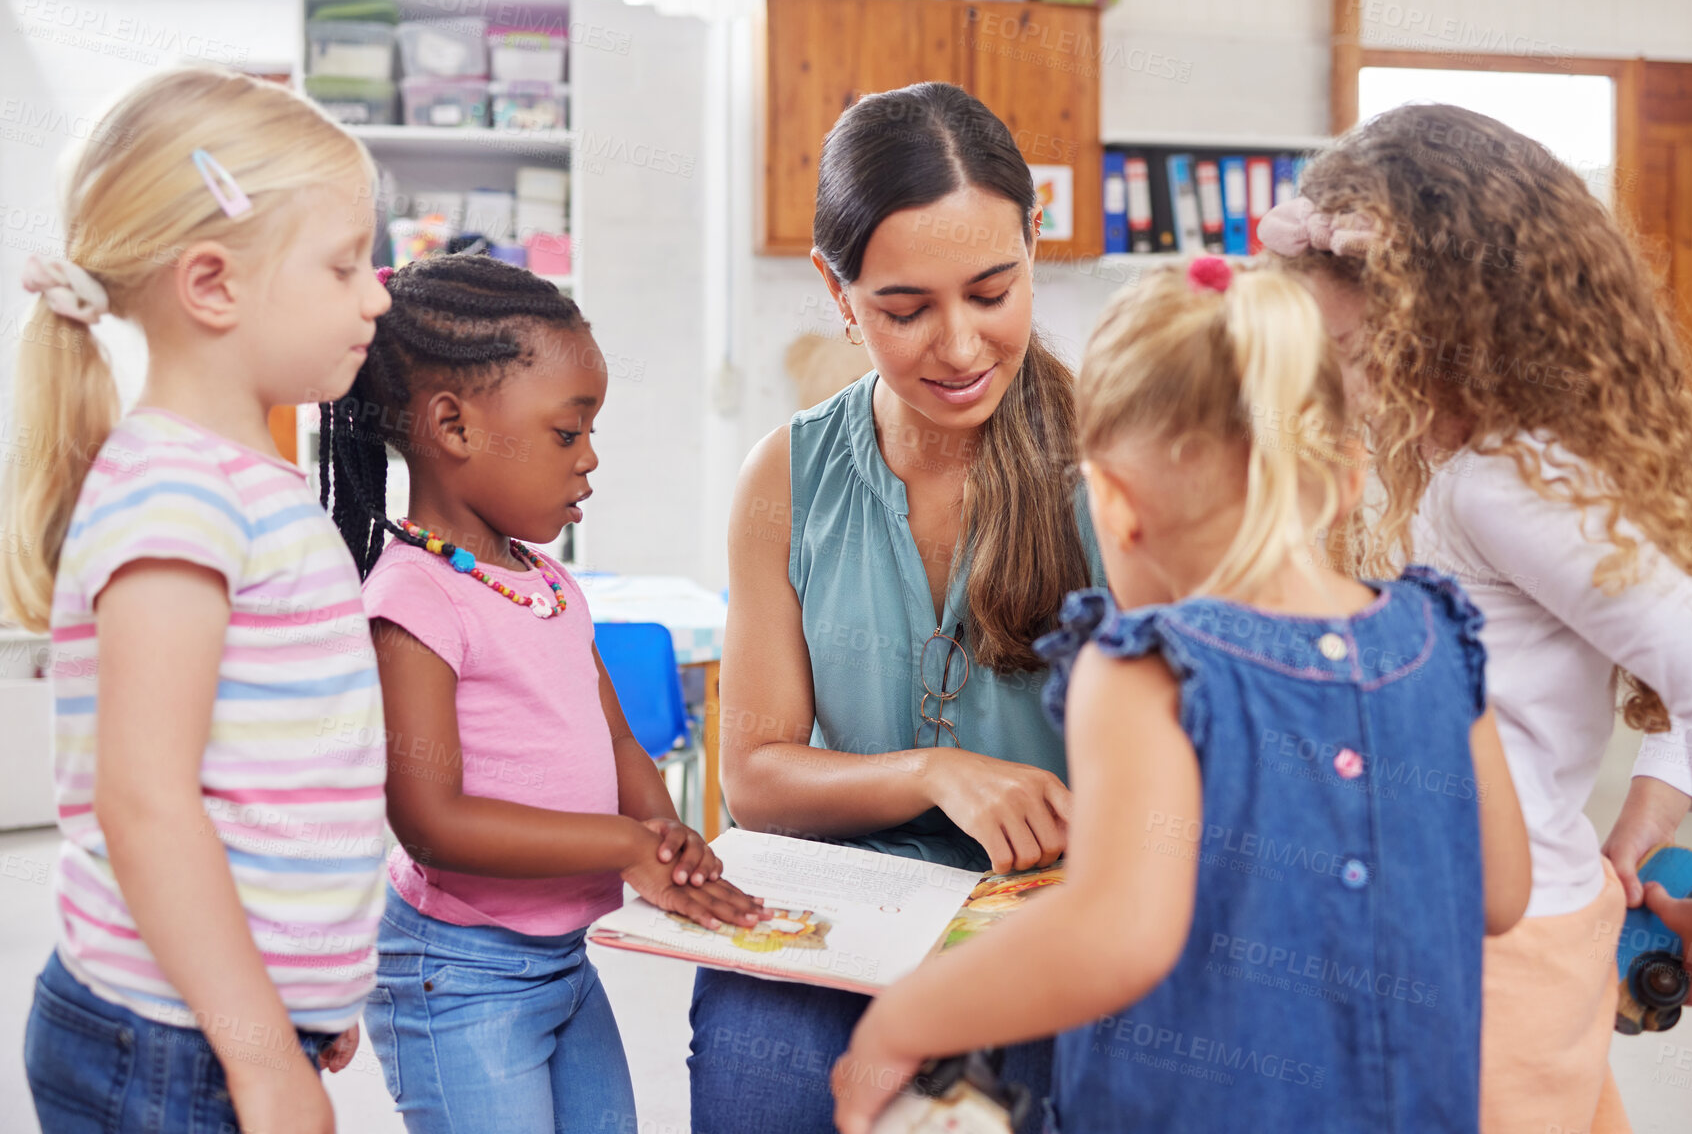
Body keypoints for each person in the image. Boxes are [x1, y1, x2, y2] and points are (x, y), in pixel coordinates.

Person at [833, 257, 1531, 1133]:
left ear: (1114, 506)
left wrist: (906, 1017)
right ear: (1348, 472)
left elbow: (1112, 939)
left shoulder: (1145, 671)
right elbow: (1501, 890)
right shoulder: (1435, 641)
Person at [1267, 102, 1692, 1133]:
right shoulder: (1508, 458)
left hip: (1494, 950)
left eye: (1354, 351)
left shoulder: (1494, 483)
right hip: (1512, 911)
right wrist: (1643, 823)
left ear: (1448, 317)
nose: (1341, 386)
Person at [691, 81, 1107, 1134]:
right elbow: (757, 775)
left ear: (1033, 244)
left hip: (1051, 913)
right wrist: (931, 770)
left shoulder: (1113, 468)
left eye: (992, 291)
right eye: (905, 309)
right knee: (754, 1066)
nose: (960, 348)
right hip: (842, 905)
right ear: (839, 295)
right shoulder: (783, 475)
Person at [7, 67, 391, 1134]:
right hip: (170, 1047)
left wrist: (304, 986)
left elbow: (268, 764)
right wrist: (264, 1052)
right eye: (344, 263)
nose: (377, 293)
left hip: (206, 1020)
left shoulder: (234, 481)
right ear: (213, 284)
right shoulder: (177, 493)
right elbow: (146, 801)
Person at [318, 253, 762, 1133]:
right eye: (568, 432)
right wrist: (619, 845)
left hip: (562, 959)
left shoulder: (549, 584)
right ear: (454, 425)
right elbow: (432, 825)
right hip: (459, 975)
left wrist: (662, 833)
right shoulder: (413, 600)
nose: (590, 458)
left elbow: (619, 744)